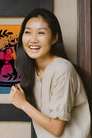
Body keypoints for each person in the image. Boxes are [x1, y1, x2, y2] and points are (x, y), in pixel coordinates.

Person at [9, 8, 91, 138]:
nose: (33, 39)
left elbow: (56, 129)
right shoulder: (32, 72)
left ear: (54, 38)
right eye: (28, 32)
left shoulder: (63, 69)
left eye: (41, 33)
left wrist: (23, 104)